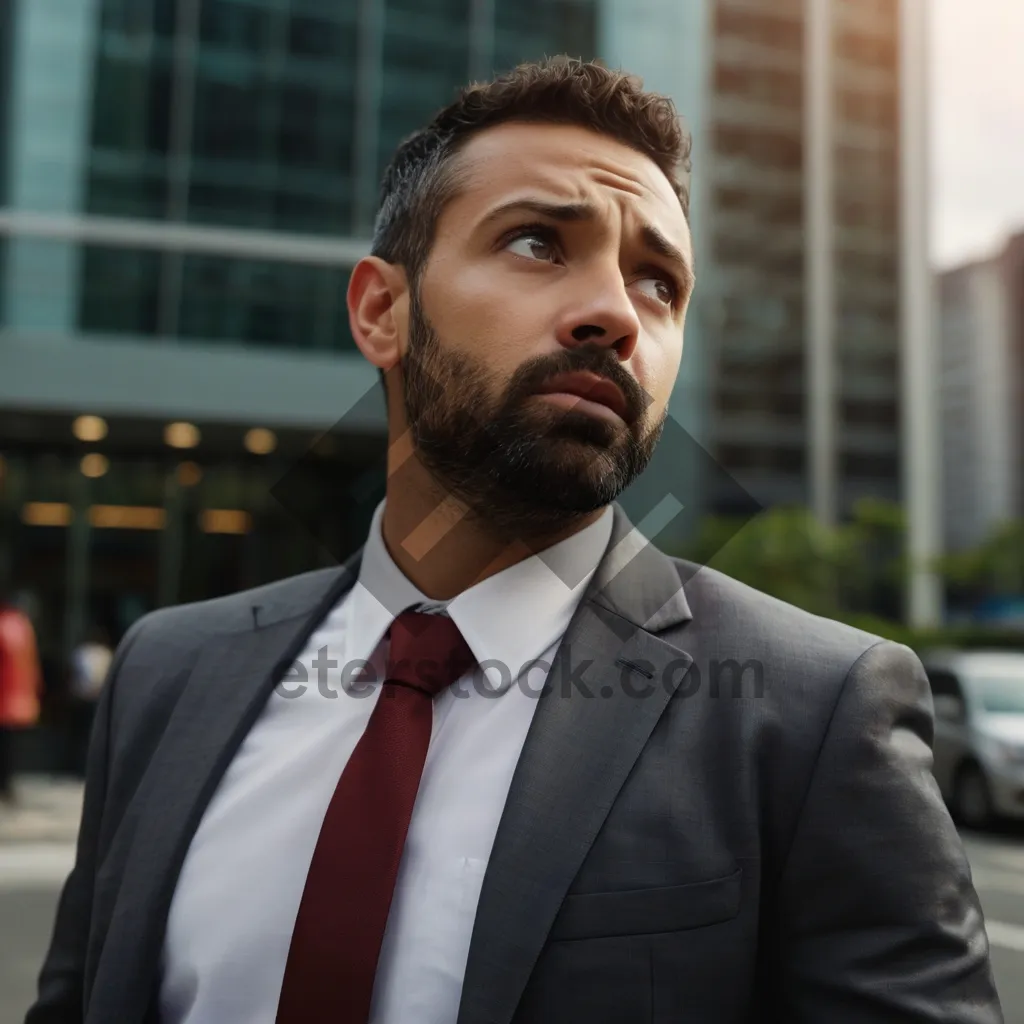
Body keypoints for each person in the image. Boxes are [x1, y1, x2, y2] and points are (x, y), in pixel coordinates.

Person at [28, 58, 1002, 1024]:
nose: (617, 315)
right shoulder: (169, 672)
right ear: (381, 310)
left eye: (658, 284)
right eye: (538, 242)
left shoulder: (814, 716)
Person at [0, 590, 43, 806]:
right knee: (11, 748)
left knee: (5, 747)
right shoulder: (24, 627)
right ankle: (7, 787)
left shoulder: (4, 625)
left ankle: (5, 786)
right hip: (20, 698)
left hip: (5, 697)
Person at [67, 625, 114, 777]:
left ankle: (78, 767)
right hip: (98, 700)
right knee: (94, 736)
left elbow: (72, 676)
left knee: (80, 736)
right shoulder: (106, 654)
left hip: (82, 699)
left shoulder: (81, 653)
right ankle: (90, 768)